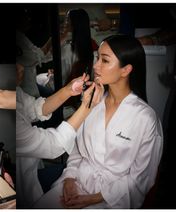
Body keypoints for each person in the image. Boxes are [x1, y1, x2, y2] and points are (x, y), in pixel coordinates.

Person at [34, 34, 163, 209]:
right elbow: (77, 148)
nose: (96, 66)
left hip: (115, 197)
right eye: (97, 58)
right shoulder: (93, 101)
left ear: (126, 70)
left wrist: (94, 198)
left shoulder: (145, 119)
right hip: (78, 180)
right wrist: (69, 178)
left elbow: (141, 178)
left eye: (104, 60)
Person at [16, 62, 104, 208]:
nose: (21, 67)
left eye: (105, 60)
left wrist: (67, 90)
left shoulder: (142, 117)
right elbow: (54, 145)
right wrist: (86, 107)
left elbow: (35, 108)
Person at [61, 8, 97, 116]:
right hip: (84, 99)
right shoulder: (93, 46)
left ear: (73, 25)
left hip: (68, 98)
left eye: (67, 20)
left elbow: (63, 78)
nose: (64, 23)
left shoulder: (67, 48)